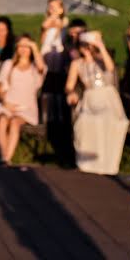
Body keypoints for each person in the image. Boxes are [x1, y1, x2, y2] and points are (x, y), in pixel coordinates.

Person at [65, 31, 128, 175]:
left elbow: (111, 69)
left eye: (87, 46)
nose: (85, 49)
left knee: (108, 119)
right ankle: (87, 163)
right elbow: (69, 84)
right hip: (90, 97)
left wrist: (100, 46)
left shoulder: (101, 60)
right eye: (82, 46)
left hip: (107, 97)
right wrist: (71, 93)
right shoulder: (77, 64)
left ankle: (107, 163)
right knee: (85, 121)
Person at [0, 35, 47, 165]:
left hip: (26, 107)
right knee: (2, 120)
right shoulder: (9, 64)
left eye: (27, 46)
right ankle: (4, 157)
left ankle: (7, 157)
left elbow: (42, 68)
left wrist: (34, 47)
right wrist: (5, 103)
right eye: (21, 46)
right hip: (8, 104)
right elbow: (1, 89)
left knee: (15, 122)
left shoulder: (35, 68)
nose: (23, 49)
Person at [41, 17, 86, 166]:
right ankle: (67, 153)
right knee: (65, 114)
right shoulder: (68, 46)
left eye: (79, 33)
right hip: (70, 85)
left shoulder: (89, 47)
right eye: (73, 33)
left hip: (86, 87)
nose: (76, 36)